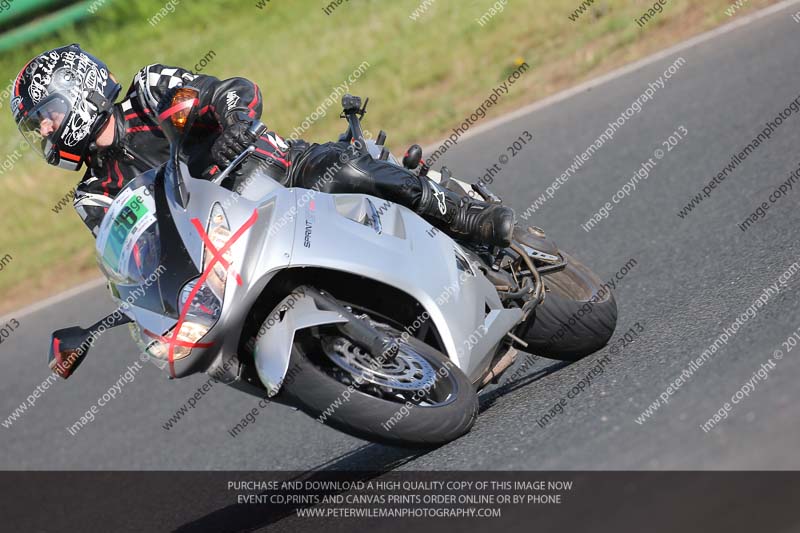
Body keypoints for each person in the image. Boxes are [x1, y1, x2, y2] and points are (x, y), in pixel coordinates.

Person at [12, 44, 515, 245]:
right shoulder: (94, 194)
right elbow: (135, 251)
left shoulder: (148, 92)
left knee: (344, 171)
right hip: (228, 245)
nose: (46, 132)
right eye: (37, 128)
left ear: (76, 91)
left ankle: (459, 215)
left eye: (46, 117)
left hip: (275, 171)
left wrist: (234, 123)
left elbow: (229, 90)